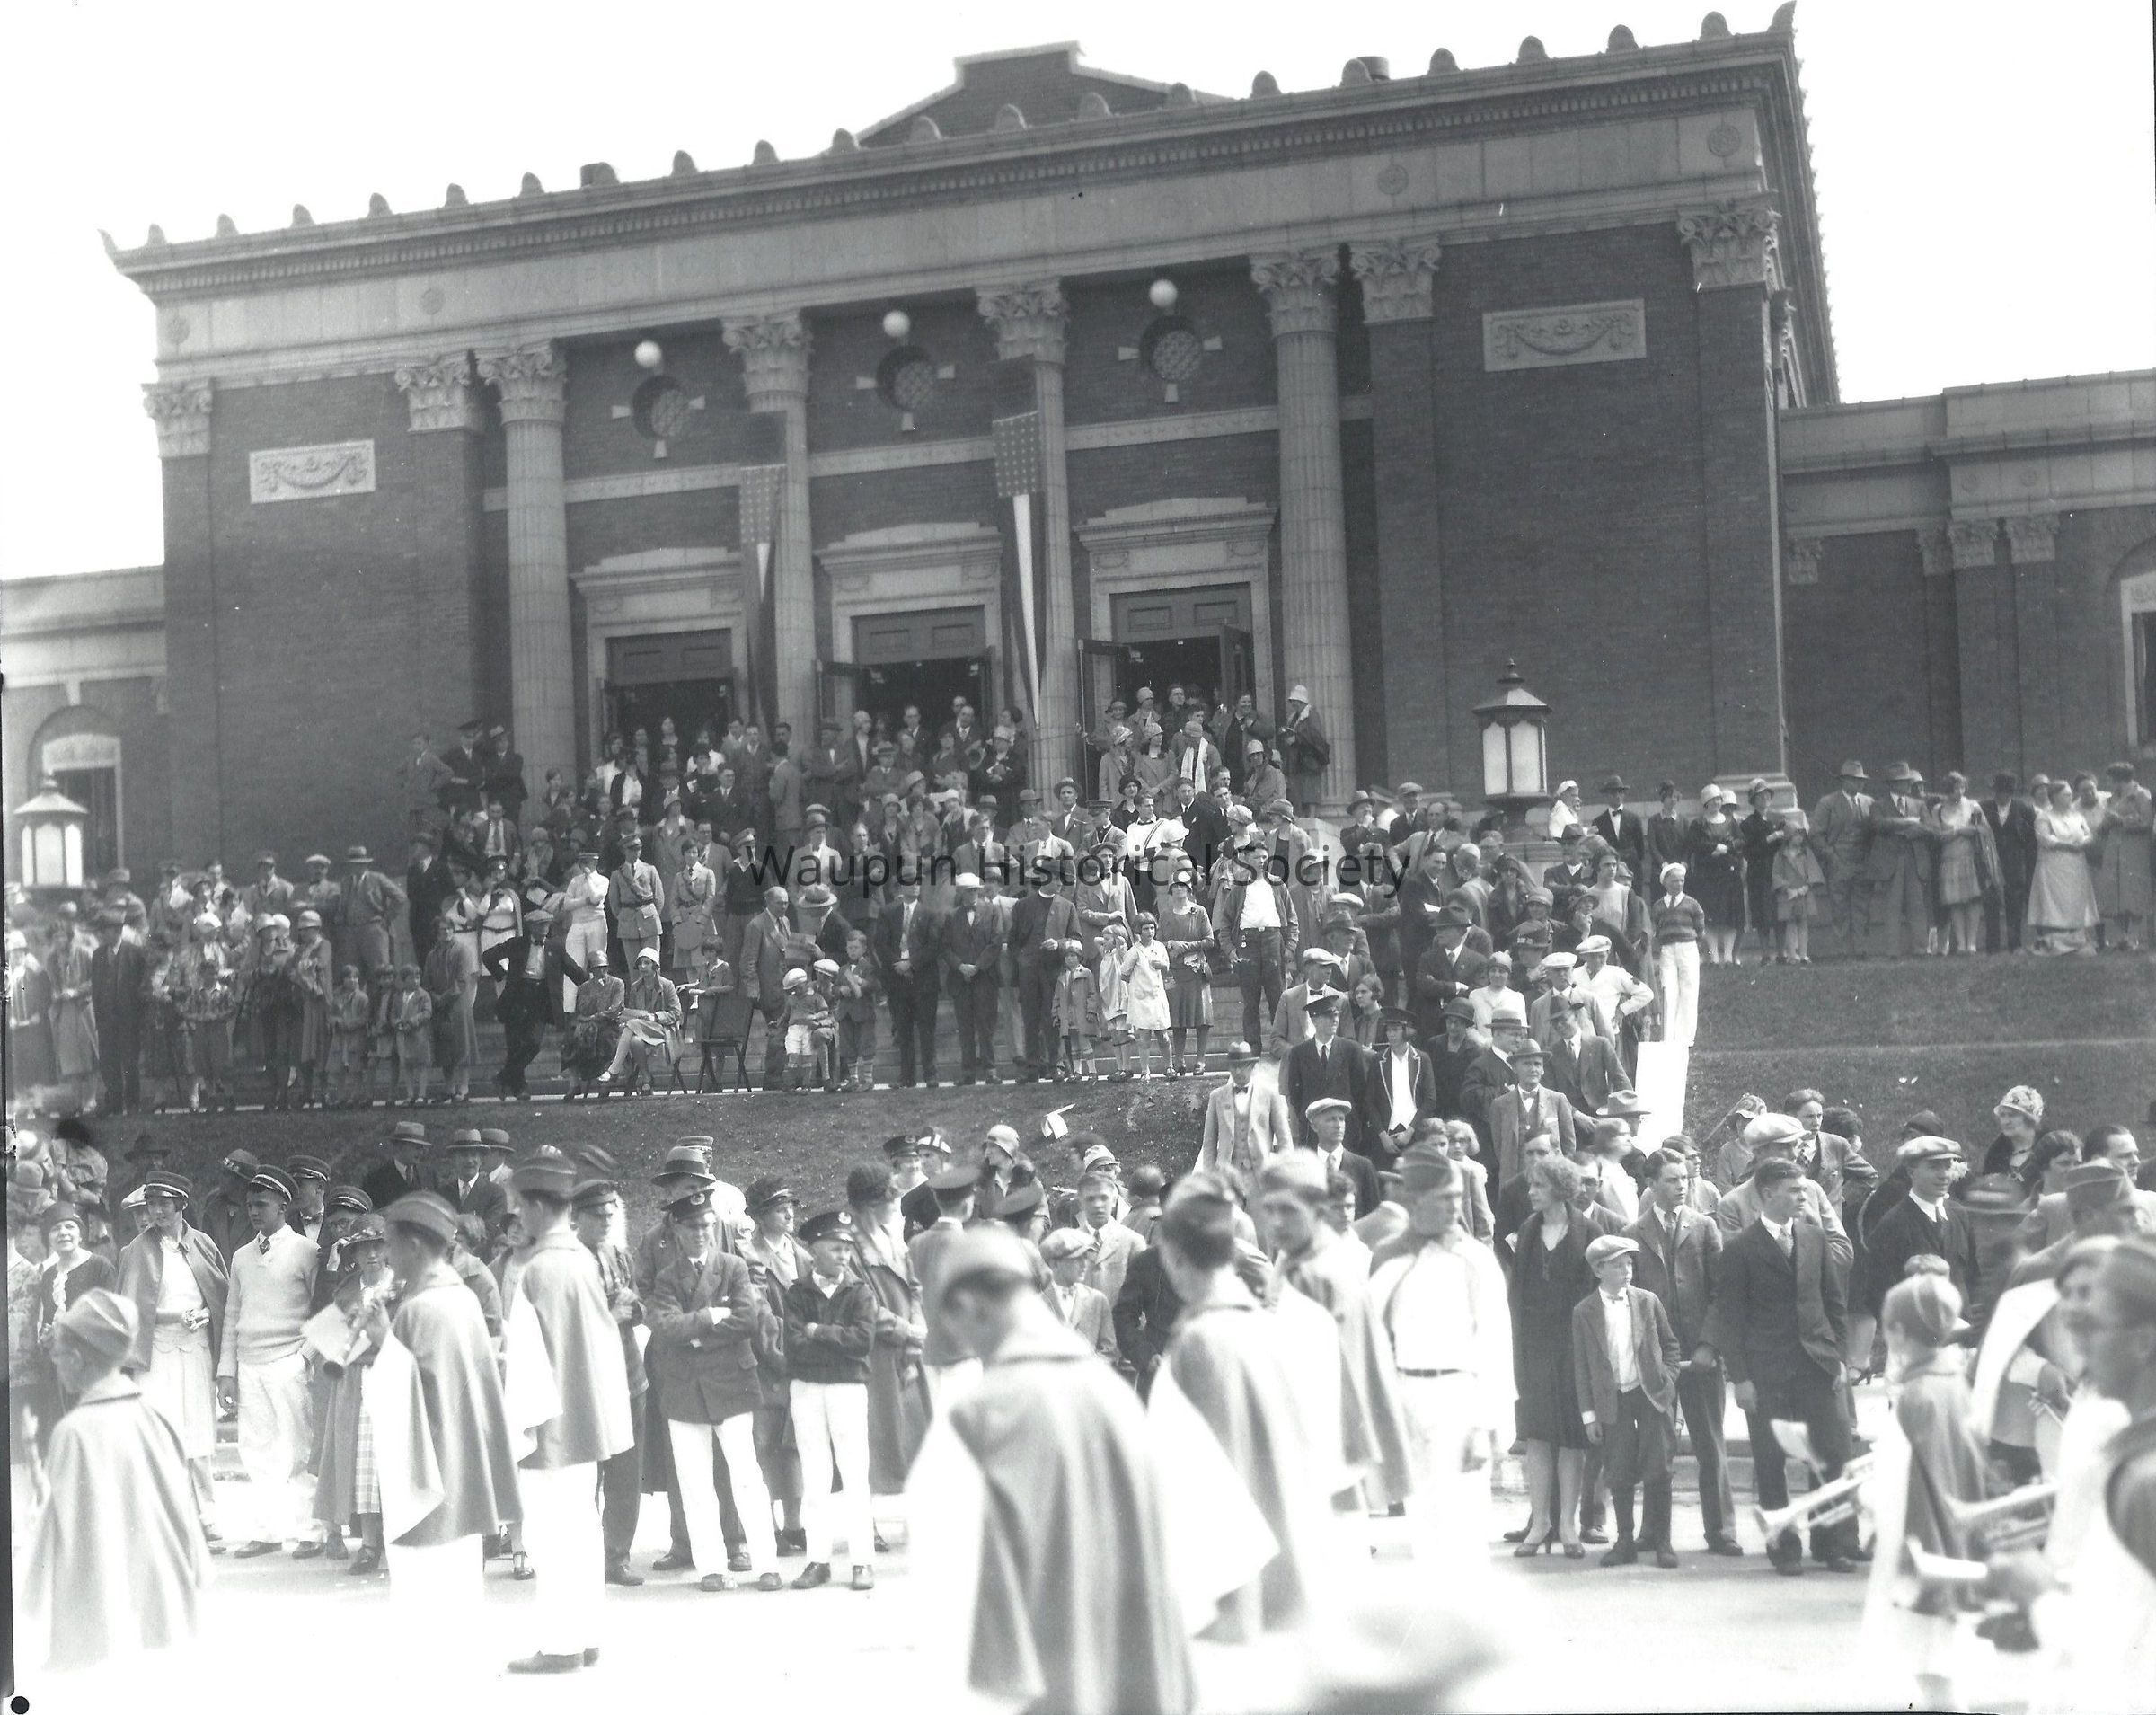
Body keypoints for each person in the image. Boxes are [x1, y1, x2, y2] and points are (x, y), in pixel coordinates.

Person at [906, 1226, 1193, 1712]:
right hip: (1140, 1685)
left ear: (969, 1306)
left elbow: (950, 1595)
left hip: (1046, 1689)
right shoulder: (1115, 1396)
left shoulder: (978, 1420)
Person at [1151, 1175, 1327, 1640]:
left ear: (1175, 1257)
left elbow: (1189, 1484)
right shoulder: (1268, 1326)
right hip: (1290, 1568)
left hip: (1228, 1595)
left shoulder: (1196, 1343)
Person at [361, 1191, 521, 1658]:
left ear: (413, 1245)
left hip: (426, 1472)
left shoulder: (421, 1308)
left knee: (426, 1588)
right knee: (459, 1580)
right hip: (462, 1460)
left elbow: (407, 1390)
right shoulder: (460, 1296)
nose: (386, 1256)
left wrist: (381, 1340)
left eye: (390, 1244)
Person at [19, 1289, 209, 1679]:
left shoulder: (73, 1431)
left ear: (76, 1359)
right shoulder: (157, 1414)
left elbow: (63, 1536)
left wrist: (35, 1605)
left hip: (104, 1620)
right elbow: (183, 1509)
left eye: (58, 1355)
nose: (56, 1363)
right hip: (165, 1605)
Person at [498, 1149, 635, 1672]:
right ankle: (588, 1632)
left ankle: (560, 1645)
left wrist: (516, 1428)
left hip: (547, 1422)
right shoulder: (581, 1258)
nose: (517, 1215)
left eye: (519, 1205)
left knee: (550, 1535)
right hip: (587, 1417)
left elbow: (529, 1361)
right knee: (581, 1528)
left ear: (536, 1206)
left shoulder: (536, 1270)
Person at [1703, 1157, 1858, 1575]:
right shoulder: (1740, 1249)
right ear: (1768, 1193)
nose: (1803, 1196)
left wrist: (1839, 1359)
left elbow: (1834, 1304)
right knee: (1771, 1462)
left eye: (1804, 1189)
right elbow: (1730, 1320)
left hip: (1817, 1366)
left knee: (1830, 1458)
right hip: (1767, 1373)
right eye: (1795, 1190)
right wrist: (1741, 1379)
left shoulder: (1814, 1237)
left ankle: (1831, 1545)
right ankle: (1784, 1549)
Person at [1860, 1270, 1987, 1711]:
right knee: (1943, 1676)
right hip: (1954, 1541)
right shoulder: (1953, 1382)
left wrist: (1863, 1497)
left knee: (1936, 1682)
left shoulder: (1915, 1395)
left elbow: (1895, 1490)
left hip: (1927, 1549)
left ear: (1897, 1332)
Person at [1260, 1154, 1414, 1516]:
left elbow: (1337, 1379)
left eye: (1289, 1210)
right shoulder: (1296, 1263)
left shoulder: (1319, 1274)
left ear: (1317, 1210)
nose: (1276, 1222)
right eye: (1270, 1210)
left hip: (1325, 1458)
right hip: (1316, 1456)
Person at [648, 1180, 782, 1591]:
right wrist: (710, 1316)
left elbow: (746, 1319)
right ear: (676, 1229)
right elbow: (664, 1326)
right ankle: (711, 1567)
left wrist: (696, 1337)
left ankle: (766, 1564)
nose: (700, 1233)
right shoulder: (666, 1279)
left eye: (706, 1225)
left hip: (732, 1381)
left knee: (747, 1475)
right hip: (685, 1388)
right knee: (695, 1480)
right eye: (691, 1227)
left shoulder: (734, 1267)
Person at [1627, 1149, 1742, 1555]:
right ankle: (1653, 1531)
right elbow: (1631, 1300)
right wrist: (1646, 1356)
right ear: (1651, 1184)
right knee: (1657, 1447)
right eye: (1672, 1180)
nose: (1681, 1186)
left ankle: (1721, 1530)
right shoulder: (1633, 1232)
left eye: (1684, 1179)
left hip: (1701, 1355)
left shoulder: (1705, 1227)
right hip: (1657, 1359)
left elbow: (1722, 1292)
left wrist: (1710, 1344)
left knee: (1711, 1443)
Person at [114, 1169, 227, 1541]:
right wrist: (175, 1317)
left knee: (199, 1434)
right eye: (151, 1204)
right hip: (155, 1354)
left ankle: (208, 1516)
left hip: (196, 1351)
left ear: (182, 1204)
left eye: (164, 1203)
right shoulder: (136, 1250)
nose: (157, 1211)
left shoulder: (203, 1244)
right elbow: (131, 1309)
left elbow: (220, 1297)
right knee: (162, 1433)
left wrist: (206, 1313)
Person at [216, 1164, 323, 1557]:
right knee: (256, 1450)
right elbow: (232, 1313)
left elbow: (322, 1310)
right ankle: (267, 1530)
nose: (253, 1212)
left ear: (283, 1206)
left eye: (261, 1204)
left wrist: (304, 1357)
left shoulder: (306, 1251)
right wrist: (227, 1371)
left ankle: (310, 1530)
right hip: (250, 1364)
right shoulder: (241, 1256)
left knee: (298, 1449)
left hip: (288, 1362)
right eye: (249, 1205)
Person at [1503, 1154, 1598, 1556]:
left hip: (1573, 1349)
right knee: (1538, 1437)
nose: (1531, 1192)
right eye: (1531, 1185)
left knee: (1572, 1439)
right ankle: (1540, 1522)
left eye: (1539, 1186)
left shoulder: (1588, 1231)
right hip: (1534, 1349)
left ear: (1560, 1188)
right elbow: (1518, 1293)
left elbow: (1594, 1297)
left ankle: (1568, 1526)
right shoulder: (1527, 1230)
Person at [1571, 1233, 1682, 1569]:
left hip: (1649, 1395)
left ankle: (1663, 1541)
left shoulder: (1647, 1301)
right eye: (1618, 1265)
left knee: (1659, 1468)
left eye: (1630, 1264)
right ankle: (1625, 1541)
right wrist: (1590, 1416)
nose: (1627, 1271)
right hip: (1613, 1400)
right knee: (1618, 1471)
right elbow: (1582, 1367)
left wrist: (1667, 1380)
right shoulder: (1584, 1312)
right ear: (1598, 1270)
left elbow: (1671, 1345)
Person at [783, 1208, 879, 1591]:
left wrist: (818, 1332)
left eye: (847, 1249)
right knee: (815, 1474)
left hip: (847, 1389)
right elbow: (793, 1345)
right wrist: (837, 1338)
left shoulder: (860, 1292)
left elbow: (863, 1341)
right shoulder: (797, 1293)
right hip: (807, 1389)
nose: (843, 1256)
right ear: (815, 1250)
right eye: (836, 1248)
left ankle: (862, 1561)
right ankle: (817, 1560)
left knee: (855, 1474)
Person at [1860, 1136, 1986, 1332]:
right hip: (1918, 1338)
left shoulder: (1959, 1215)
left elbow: (1972, 1276)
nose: (1944, 1175)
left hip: (1962, 1333)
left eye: (1948, 1166)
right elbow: (1878, 1295)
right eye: (1934, 1167)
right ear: (1911, 1172)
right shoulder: (1894, 1224)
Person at [2028, 777, 2099, 954]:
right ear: (2055, 797)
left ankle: (2077, 940)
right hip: (2053, 867)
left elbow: (2088, 834)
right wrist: (2067, 846)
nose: (2070, 797)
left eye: (2070, 794)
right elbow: (2045, 839)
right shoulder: (2044, 817)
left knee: (2075, 901)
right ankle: (2056, 942)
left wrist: (2082, 843)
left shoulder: (2077, 816)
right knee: (2056, 901)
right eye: (2066, 795)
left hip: (2076, 866)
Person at [1649, 862, 1705, 1046]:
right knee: (1668, 989)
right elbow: (1655, 928)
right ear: (1665, 882)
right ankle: (1668, 1036)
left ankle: (1685, 1037)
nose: (1679, 884)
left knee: (1689, 989)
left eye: (1682, 880)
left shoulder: (1692, 904)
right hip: (1667, 949)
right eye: (1674, 881)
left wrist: (1695, 944)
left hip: (1687, 947)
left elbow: (1700, 928)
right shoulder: (1658, 906)